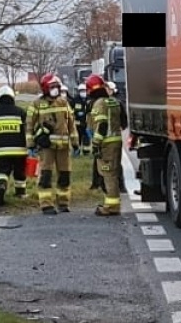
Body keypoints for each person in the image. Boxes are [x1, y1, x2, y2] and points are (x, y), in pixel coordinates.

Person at [26, 73, 80, 213]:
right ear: (45, 88)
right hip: (46, 148)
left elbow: (71, 124)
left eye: (57, 86)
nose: (56, 89)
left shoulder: (63, 102)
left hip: (63, 147)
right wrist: (31, 144)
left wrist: (75, 143)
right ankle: (46, 204)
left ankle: (63, 202)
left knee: (65, 175)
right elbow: (29, 125)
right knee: (46, 176)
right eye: (53, 87)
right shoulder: (37, 104)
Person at [85, 74, 124, 216]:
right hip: (115, 142)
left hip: (106, 145)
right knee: (112, 173)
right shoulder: (113, 101)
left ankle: (112, 207)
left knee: (108, 175)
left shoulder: (99, 103)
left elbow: (101, 125)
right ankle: (111, 204)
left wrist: (95, 143)